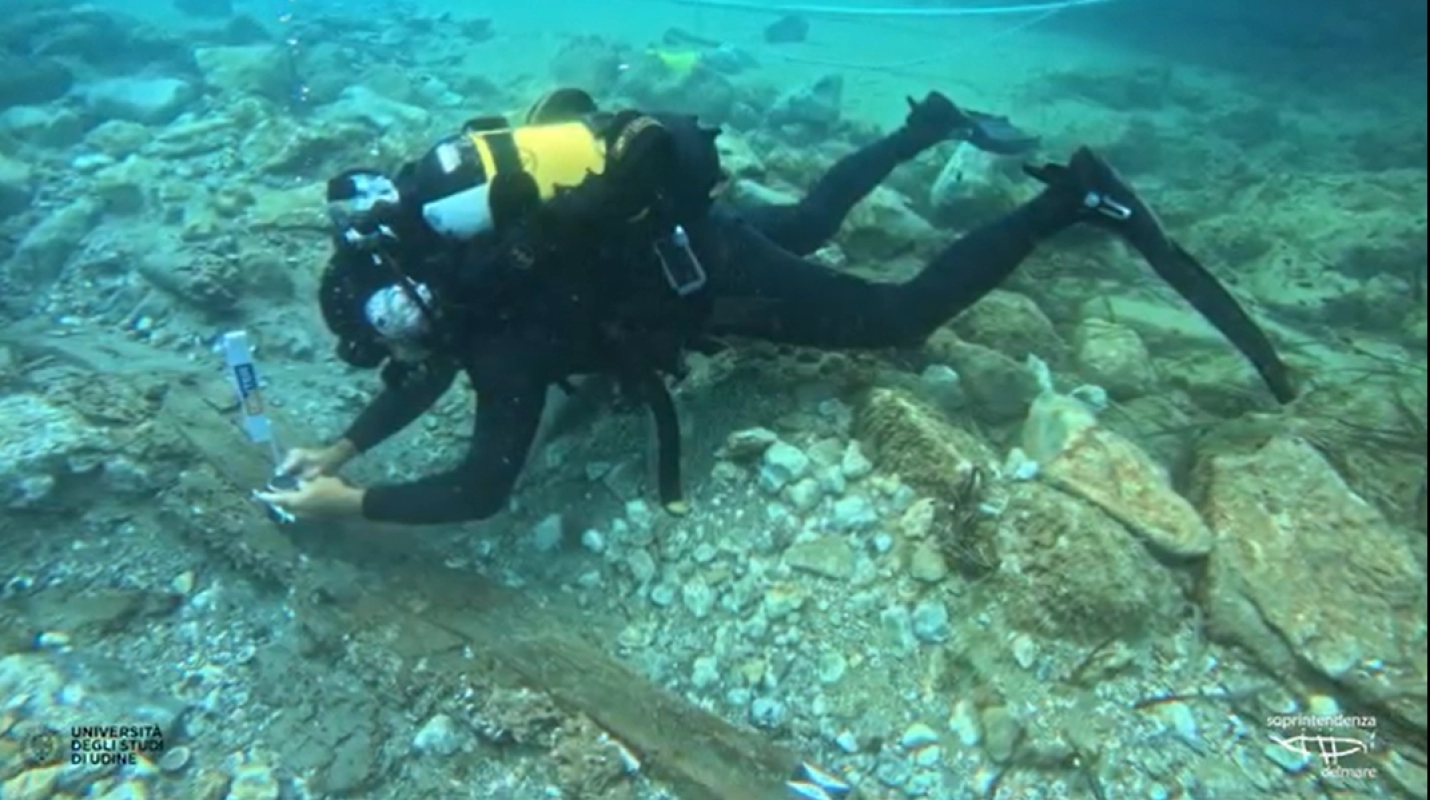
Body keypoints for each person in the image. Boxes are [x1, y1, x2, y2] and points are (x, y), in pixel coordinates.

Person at [255, 88, 1295, 526]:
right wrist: (341, 447)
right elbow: (422, 370)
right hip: (688, 241)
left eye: (386, 342)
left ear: (406, 302)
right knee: (797, 220)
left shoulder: (494, 333)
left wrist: (350, 503)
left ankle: (1073, 199)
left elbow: (481, 488)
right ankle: (925, 127)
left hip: (712, 280)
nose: (405, 357)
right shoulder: (468, 275)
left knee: (894, 319)